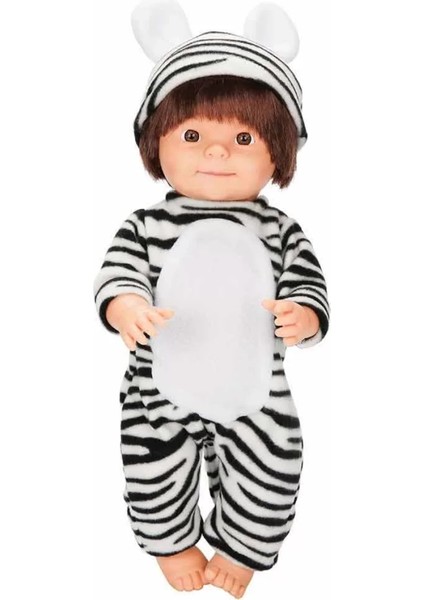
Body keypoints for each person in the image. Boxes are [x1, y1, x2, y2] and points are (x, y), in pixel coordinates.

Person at [93, 2, 330, 598]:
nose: (217, 153)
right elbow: (116, 276)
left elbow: (309, 285)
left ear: (280, 152)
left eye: (243, 138)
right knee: (151, 470)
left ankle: (243, 549)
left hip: (257, 391)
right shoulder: (146, 225)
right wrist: (126, 307)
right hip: (157, 389)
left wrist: (303, 316)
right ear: (155, 142)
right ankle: (171, 543)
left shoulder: (280, 231)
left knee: (274, 467)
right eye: (193, 135)